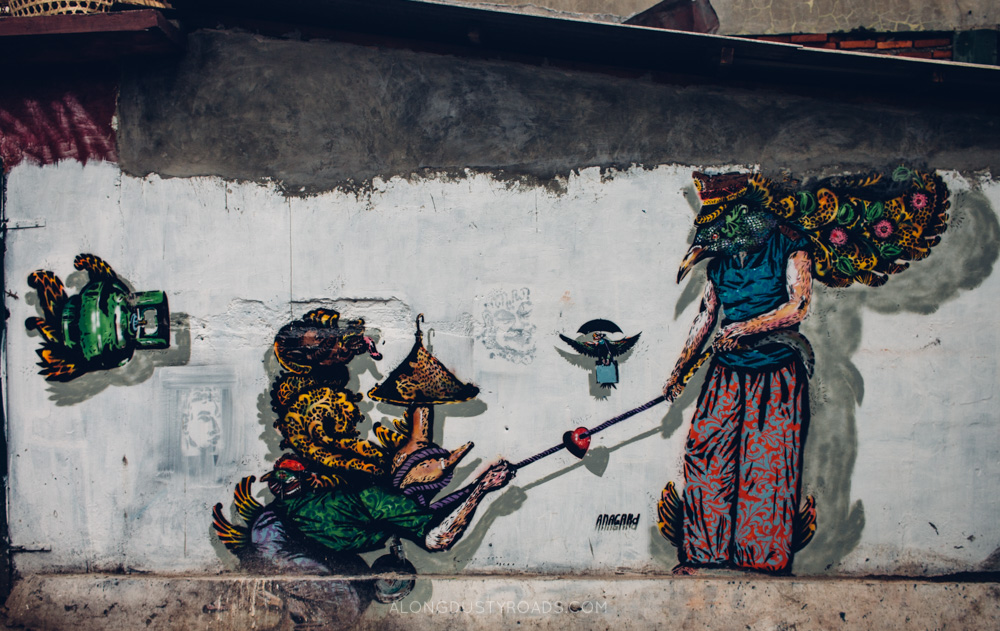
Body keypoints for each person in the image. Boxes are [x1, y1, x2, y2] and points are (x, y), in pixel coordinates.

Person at [663, 171, 813, 574]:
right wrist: (680, 370)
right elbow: (707, 315)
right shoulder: (722, 260)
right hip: (726, 375)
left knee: (766, 465)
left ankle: (760, 560)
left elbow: (798, 305)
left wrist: (747, 328)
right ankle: (703, 553)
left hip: (775, 375)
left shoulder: (789, 244)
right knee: (705, 453)